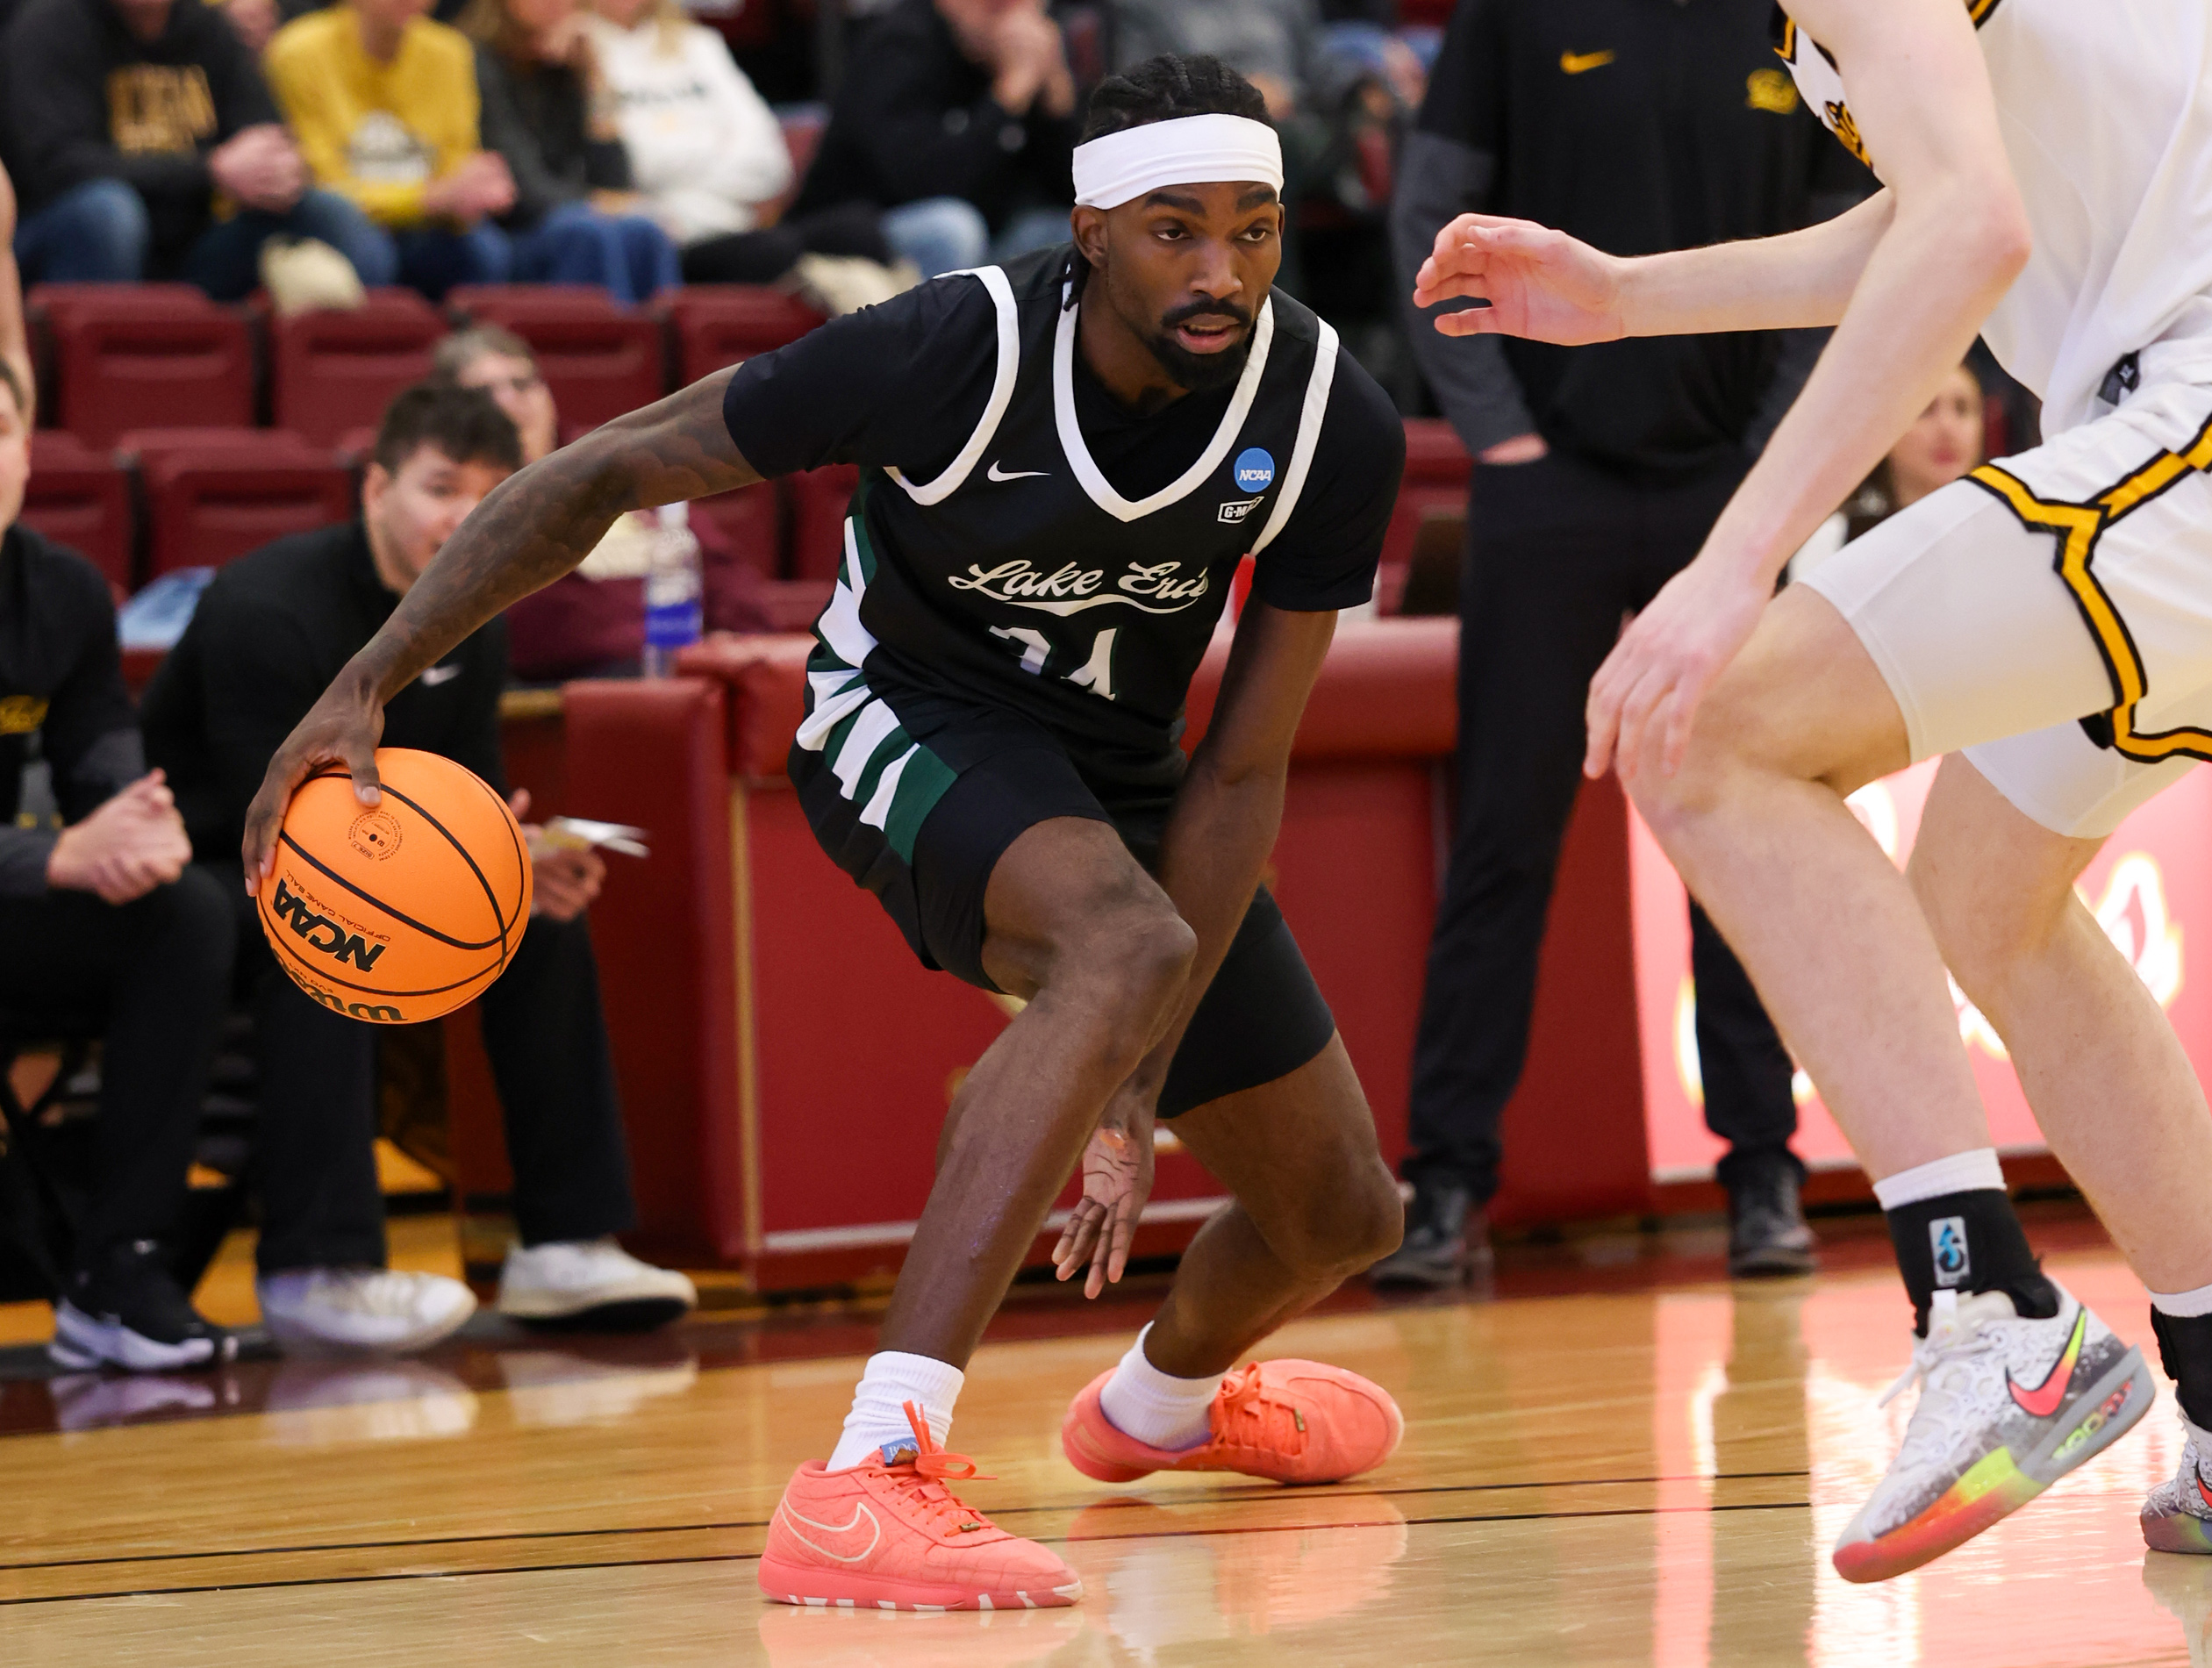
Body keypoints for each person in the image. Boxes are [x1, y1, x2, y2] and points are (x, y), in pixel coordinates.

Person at [243, 54, 1411, 1612]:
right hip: (903, 718)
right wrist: (367, 681)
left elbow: (1245, 771)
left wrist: (1140, 1086)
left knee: (1340, 1212)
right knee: (1123, 944)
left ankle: (1155, 1409)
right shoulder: (952, 347)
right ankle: (867, 1475)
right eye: (1175, 230)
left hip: (1128, 772)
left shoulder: (1327, 413)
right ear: (1090, 231)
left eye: (1253, 230)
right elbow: (601, 470)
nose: (1223, 273)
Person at [1416, 0, 2212, 1581]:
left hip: (2183, 416)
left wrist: (1735, 564)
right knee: (1986, 899)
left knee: (1710, 733)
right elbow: (1942, 200)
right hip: (2150, 417)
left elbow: (1971, 229)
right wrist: (1633, 298)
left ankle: (1989, 1311)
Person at [1373, 0, 1869, 1290]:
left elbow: (1850, 243)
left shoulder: (1798, 13)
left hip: (1728, 485)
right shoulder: (1513, 13)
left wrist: (1772, 457)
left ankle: (1762, 1172)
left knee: (1742, 827)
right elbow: (1428, 213)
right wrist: (1499, 435)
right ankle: (1446, 1182)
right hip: (1547, 484)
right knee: (1504, 831)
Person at [141, 383, 698, 1351]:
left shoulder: (474, 616)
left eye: (489, 493)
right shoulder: (268, 605)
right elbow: (272, 818)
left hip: (362, 853)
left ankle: (564, 1241)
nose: (465, 516)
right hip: (209, 862)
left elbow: (469, 795)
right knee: (333, 926)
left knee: (535, 920)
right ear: (375, 487)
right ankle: (317, 1265)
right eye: (442, 488)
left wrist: (515, 861)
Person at [0, 355, 239, 1372]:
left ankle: (119, 1268)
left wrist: (141, 826)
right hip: (20, 872)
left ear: (26, 449)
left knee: (187, 912)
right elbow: (63, 847)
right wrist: (55, 854)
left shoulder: (59, 591)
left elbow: (102, 758)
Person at [429, 324, 773, 678]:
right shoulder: (460, 502)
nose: (509, 402)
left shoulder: (613, 465)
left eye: (522, 384)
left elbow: (720, 568)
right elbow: (532, 626)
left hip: (681, 673)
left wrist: (736, 638)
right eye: (484, 392)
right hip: (568, 686)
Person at [1, 0, 388, 298]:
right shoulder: (49, 27)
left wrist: (277, 169)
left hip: (192, 248)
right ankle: (97, 365)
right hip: (66, 236)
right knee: (108, 211)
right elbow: (58, 166)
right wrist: (210, 169)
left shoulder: (209, 29)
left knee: (326, 212)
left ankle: (377, 363)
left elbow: (263, 136)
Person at [585, 0, 893, 286]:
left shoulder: (701, 44)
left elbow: (770, 163)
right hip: (671, 238)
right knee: (772, 251)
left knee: (859, 230)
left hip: (737, 222)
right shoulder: (582, 51)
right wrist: (716, 144)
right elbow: (630, 165)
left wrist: (678, 164)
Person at [788, 0, 1077, 279]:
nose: (1016, 24)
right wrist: (1009, 93)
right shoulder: (899, 45)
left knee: (1074, 230)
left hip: (987, 238)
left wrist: (1057, 96)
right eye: (997, 7)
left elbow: (1072, 192)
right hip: (866, 232)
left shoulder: (1021, 61)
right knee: (951, 229)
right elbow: (926, 183)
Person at [264, 0, 517, 298]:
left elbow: (456, 164)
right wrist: (428, 199)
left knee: (485, 250)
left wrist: (476, 190)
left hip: (425, 225)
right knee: (360, 241)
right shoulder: (298, 50)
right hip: (335, 224)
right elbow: (321, 183)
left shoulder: (450, 51)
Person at [460, 0, 677, 304]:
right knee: (587, 232)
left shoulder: (569, 62)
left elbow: (616, 182)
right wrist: (601, 204)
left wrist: (595, 76)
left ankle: (654, 336)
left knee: (645, 232)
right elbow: (523, 189)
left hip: (567, 215)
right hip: (507, 231)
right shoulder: (473, 60)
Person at [1793, 361, 1985, 579]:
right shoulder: (1835, 538)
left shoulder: (2005, 526)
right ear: (1885, 428)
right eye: (1924, 410)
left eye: (1962, 409)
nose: (1947, 428)